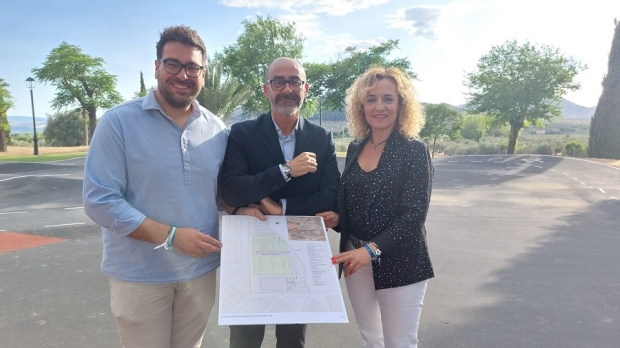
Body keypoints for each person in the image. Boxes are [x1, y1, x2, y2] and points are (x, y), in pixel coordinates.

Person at [83, 25, 227, 348]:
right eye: (173, 64)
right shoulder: (118, 123)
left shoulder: (217, 129)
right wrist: (172, 236)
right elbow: (99, 200)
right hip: (140, 276)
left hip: (200, 273)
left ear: (203, 73)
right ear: (157, 67)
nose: (183, 74)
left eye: (193, 67)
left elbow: (224, 195)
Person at [220, 57, 340, 348]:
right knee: (245, 340)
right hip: (252, 249)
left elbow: (332, 195)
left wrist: (279, 208)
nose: (287, 88)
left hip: (301, 249)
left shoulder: (322, 137)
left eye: (294, 81)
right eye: (278, 81)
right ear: (266, 89)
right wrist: (285, 170)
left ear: (306, 88)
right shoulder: (242, 134)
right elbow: (231, 190)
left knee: (292, 341)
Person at [317, 66, 434, 348]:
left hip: (400, 263)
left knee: (399, 343)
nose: (379, 106)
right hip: (355, 260)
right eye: (371, 99)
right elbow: (357, 205)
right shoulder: (357, 146)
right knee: (372, 339)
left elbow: (413, 216)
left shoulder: (413, 150)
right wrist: (338, 219)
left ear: (401, 104)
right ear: (361, 106)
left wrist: (370, 250)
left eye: (388, 98)